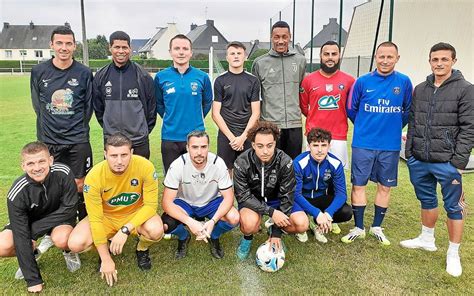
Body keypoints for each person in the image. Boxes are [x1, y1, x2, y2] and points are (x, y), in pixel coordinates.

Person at [401, 42, 474, 277]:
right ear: (430, 61)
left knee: (454, 207)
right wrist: (410, 152)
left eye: (444, 59)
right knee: (427, 199)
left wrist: (458, 162)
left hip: (448, 162)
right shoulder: (420, 88)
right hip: (420, 159)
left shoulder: (465, 89)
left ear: (454, 60)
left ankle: (453, 253)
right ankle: (426, 238)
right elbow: (413, 121)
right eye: (435, 59)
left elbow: (469, 128)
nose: (439, 64)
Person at [67, 133, 163, 287]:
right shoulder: (94, 177)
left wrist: (125, 229)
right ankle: (105, 249)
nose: (119, 161)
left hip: (134, 213)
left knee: (156, 230)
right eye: (113, 155)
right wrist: (105, 259)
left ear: (131, 153)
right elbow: (96, 219)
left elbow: (151, 206)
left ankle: (142, 248)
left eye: (124, 155)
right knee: (75, 244)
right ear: (105, 154)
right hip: (106, 217)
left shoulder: (145, 166)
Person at [342, 41, 412, 245]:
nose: (385, 60)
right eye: (381, 56)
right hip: (363, 143)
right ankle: (359, 227)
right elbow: (351, 109)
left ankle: (377, 227)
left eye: (390, 57)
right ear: (375, 57)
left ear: (397, 59)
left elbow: (407, 111)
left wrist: (392, 128)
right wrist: (365, 126)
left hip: (389, 145)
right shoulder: (362, 82)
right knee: (359, 184)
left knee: (384, 187)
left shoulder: (404, 82)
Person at [30, 25, 93, 222]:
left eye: (68, 43)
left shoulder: (84, 72)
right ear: (51, 45)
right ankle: (58, 225)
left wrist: (74, 128)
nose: (63, 48)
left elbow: (87, 107)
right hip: (49, 140)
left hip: (78, 139)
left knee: (80, 184)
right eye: (59, 43)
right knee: (51, 183)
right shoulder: (39, 71)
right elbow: (37, 105)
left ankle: (83, 222)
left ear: (75, 46)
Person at [0, 142, 80, 293]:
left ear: (50, 160)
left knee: (62, 239)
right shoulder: (17, 191)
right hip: (30, 221)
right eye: (30, 163)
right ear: (23, 166)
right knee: (2, 245)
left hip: (60, 218)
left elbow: (69, 209)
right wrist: (33, 280)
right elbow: (20, 232)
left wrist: (34, 232)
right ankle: (32, 254)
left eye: (41, 161)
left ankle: (68, 251)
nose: (37, 168)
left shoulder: (64, 172)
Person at [234, 121, 308, 260]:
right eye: (260, 146)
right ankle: (247, 239)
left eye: (270, 145)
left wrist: (276, 233)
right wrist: (271, 212)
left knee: (302, 223)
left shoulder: (285, 161)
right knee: (249, 224)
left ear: (275, 143)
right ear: (253, 145)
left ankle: (272, 229)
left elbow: (287, 196)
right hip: (253, 201)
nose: (265, 151)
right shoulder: (242, 162)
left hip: (277, 200)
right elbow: (243, 196)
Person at [161, 131, 239, 259]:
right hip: (185, 203)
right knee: (165, 225)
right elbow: (166, 202)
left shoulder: (218, 163)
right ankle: (184, 237)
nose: (199, 152)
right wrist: (190, 222)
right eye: (194, 147)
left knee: (234, 218)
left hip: (211, 202)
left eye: (203, 147)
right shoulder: (177, 165)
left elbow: (229, 197)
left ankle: (214, 235)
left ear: (208, 146)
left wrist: (213, 221)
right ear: (187, 148)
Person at [93, 31, 156, 159]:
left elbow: (151, 110)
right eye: (117, 47)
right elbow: (99, 109)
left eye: (124, 47)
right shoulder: (101, 76)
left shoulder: (143, 76)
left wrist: (141, 131)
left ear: (130, 49)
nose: (121, 51)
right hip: (112, 143)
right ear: (110, 48)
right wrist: (110, 130)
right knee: (113, 178)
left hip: (138, 141)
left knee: (139, 178)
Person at [155, 34, 213, 173]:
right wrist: (172, 118)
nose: (181, 52)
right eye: (177, 48)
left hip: (196, 137)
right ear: (170, 52)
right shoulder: (161, 77)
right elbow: (159, 104)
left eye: (185, 49)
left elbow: (207, 103)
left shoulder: (202, 77)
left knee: (195, 179)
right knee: (172, 179)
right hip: (170, 137)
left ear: (191, 52)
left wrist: (194, 118)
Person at [251, 21, 306, 160]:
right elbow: (254, 97)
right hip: (270, 125)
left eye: (284, 37)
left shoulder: (300, 61)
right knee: (270, 166)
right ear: (271, 37)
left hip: (294, 124)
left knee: (293, 167)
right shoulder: (259, 63)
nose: (280, 41)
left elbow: (302, 90)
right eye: (276, 37)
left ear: (290, 37)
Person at [299, 41, 355, 167]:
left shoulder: (350, 81)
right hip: (313, 135)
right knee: (310, 175)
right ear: (321, 56)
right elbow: (303, 106)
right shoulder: (308, 80)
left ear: (339, 56)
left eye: (334, 54)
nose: (330, 57)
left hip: (338, 136)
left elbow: (352, 107)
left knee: (336, 175)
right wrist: (317, 116)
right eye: (326, 54)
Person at [293, 128, 352, 243]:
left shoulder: (335, 163)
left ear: (329, 146)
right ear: (309, 146)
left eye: (324, 145)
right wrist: (317, 213)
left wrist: (328, 213)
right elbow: (296, 194)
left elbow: (341, 194)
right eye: (315, 145)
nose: (320, 150)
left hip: (320, 197)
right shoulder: (299, 163)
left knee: (346, 211)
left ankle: (317, 223)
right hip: (302, 198)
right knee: (299, 220)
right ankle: (306, 221)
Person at [212, 41, 261, 173]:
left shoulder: (253, 81)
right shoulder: (220, 81)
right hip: (226, 135)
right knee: (225, 172)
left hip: (247, 135)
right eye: (232, 53)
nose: (236, 56)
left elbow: (256, 113)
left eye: (239, 53)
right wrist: (232, 138)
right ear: (227, 57)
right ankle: (228, 195)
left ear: (245, 56)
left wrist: (243, 137)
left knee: (248, 172)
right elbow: (215, 113)